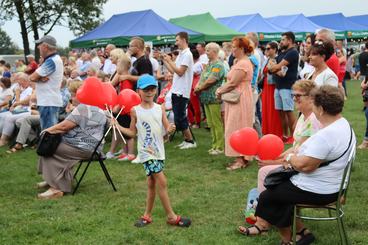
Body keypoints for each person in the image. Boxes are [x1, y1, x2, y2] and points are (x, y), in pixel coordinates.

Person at [239, 85, 356, 245]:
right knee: (281, 192)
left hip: (322, 190)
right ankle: (301, 233)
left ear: (320, 109)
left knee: (269, 196)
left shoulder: (326, 135)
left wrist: (290, 157)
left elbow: (306, 166)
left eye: (314, 105)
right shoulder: (343, 125)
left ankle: (288, 239)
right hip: (334, 186)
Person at [111, 74, 191, 228]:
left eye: (152, 89)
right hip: (147, 153)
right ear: (138, 91)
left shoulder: (159, 108)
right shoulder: (135, 111)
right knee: (162, 181)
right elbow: (132, 133)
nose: (149, 92)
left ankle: (147, 215)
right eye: (146, 89)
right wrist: (118, 126)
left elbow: (165, 128)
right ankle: (171, 216)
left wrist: (170, 129)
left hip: (159, 151)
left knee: (151, 183)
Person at [37, 80, 107, 199]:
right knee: (49, 146)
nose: (71, 98)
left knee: (49, 148)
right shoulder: (98, 108)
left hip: (83, 148)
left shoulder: (83, 108)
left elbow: (64, 126)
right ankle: (52, 180)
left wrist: (46, 130)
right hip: (92, 148)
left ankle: (56, 188)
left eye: (74, 95)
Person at [257, 80, 322, 193]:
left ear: (311, 98)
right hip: (298, 163)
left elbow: (301, 154)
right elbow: (296, 146)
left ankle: (264, 207)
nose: (294, 98)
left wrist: (274, 162)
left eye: (298, 96)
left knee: (264, 171)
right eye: (293, 95)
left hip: (306, 170)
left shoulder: (313, 121)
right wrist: (276, 158)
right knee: (267, 170)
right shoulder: (303, 117)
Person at [215, 36, 254, 170]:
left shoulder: (243, 63)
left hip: (240, 97)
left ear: (242, 48)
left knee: (238, 126)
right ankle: (241, 157)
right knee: (235, 126)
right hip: (237, 97)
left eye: (234, 47)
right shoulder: (239, 61)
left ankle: (241, 159)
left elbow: (233, 83)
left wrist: (219, 91)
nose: (232, 50)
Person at [162, 32, 196, 149]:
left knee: (180, 117)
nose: (176, 43)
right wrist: (165, 61)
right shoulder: (182, 54)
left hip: (182, 90)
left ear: (183, 40)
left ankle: (190, 141)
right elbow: (173, 71)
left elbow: (180, 72)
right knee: (179, 117)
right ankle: (187, 139)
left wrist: (170, 61)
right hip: (176, 89)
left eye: (177, 40)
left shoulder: (187, 54)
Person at [194, 42, 225, 155]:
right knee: (211, 123)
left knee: (216, 123)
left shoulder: (218, 65)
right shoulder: (209, 64)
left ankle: (220, 147)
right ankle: (214, 145)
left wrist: (199, 88)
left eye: (208, 50)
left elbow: (211, 80)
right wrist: (198, 87)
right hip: (206, 98)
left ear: (215, 52)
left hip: (214, 98)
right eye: (206, 50)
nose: (206, 52)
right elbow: (203, 78)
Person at [268, 32, 299, 144]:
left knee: (289, 112)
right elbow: (275, 69)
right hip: (279, 86)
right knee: (281, 112)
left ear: (290, 40)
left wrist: (274, 68)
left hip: (288, 86)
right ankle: (285, 136)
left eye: (283, 40)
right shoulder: (282, 53)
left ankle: (294, 136)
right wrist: (274, 68)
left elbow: (276, 67)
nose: (281, 42)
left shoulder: (292, 53)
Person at [29, 35, 63, 130]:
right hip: (48, 101)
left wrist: (37, 78)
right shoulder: (52, 59)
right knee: (48, 132)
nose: (38, 47)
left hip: (48, 102)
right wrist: (39, 78)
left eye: (39, 45)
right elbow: (34, 77)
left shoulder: (52, 60)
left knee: (48, 133)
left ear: (45, 46)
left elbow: (32, 77)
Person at [261, 41, 283, 138]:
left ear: (274, 49)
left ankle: (276, 131)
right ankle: (268, 130)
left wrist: (272, 69)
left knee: (273, 109)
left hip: (273, 85)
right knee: (266, 108)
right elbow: (264, 72)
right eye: (266, 48)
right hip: (266, 85)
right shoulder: (267, 60)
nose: (266, 50)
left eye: (269, 48)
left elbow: (280, 72)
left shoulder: (277, 59)